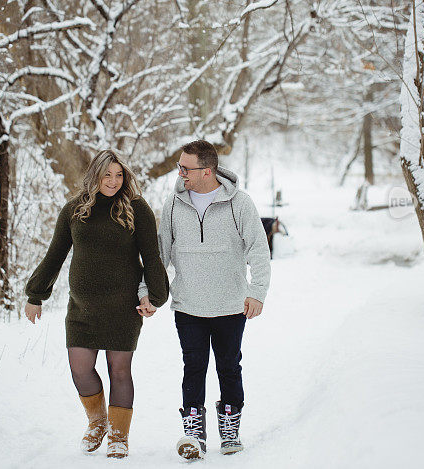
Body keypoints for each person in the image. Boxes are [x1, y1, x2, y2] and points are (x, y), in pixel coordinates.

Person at [23, 149, 168, 459]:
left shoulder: (136, 209)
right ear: (94, 176)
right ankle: (97, 421)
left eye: (119, 175)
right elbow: (55, 254)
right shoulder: (74, 210)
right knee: (80, 369)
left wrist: (154, 295)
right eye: (107, 175)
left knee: (119, 371)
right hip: (82, 309)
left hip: (123, 307)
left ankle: (119, 434)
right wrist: (35, 294)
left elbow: (151, 255)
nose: (114, 181)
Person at [158, 140, 271, 459]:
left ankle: (230, 426)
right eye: (180, 167)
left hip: (230, 306)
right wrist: (149, 292)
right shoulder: (174, 203)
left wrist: (257, 292)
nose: (180, 173)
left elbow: (259, 251)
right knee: (193, 366)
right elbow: (160, 253)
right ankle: (193, 432)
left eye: (186, 168)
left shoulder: (239, 203)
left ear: (207, 171)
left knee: (229, 367)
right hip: (188, 305)